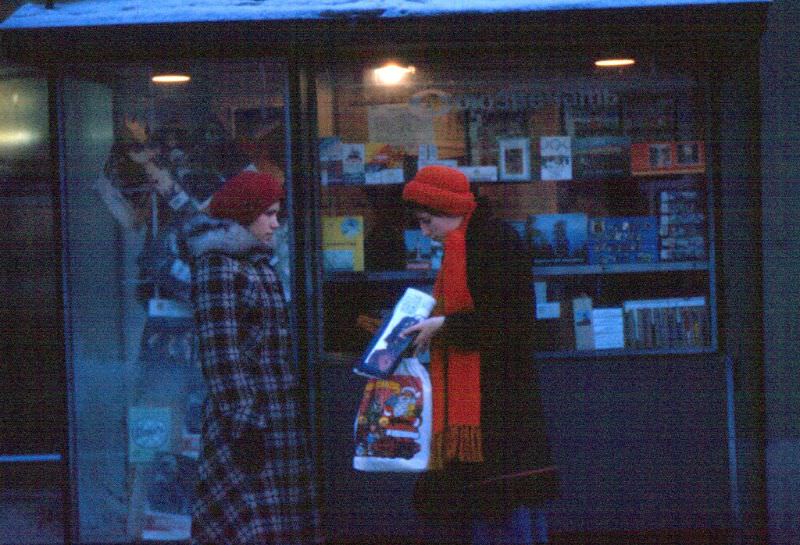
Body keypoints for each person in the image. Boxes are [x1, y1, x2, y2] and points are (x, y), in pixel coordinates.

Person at [399, 165, 559, 544]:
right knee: (485, 507)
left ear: (447, 209)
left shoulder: (493, 243)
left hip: (498, 403)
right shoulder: (465, 244)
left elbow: (514, 323)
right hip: (482, 405)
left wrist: (445, 327)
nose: (425, 231)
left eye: (427, 220)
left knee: (497, 509)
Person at [183, 171, 322, 545]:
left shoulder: (255, 263)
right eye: (268, 214)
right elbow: (221, 353)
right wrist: (245, 422)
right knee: (248, 521)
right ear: (245, 214)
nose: (276, 223)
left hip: (274, 411)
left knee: (275, 521)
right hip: (247, 418)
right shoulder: (218, 265)